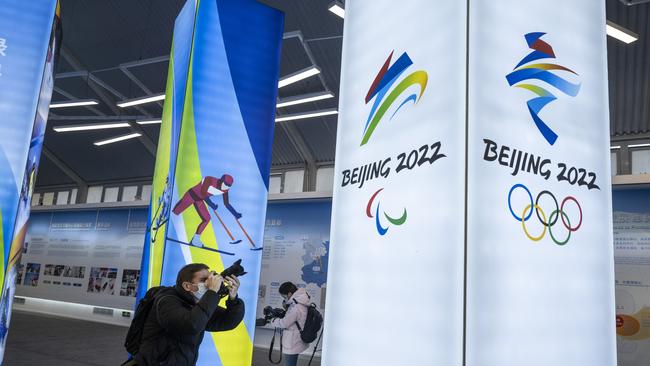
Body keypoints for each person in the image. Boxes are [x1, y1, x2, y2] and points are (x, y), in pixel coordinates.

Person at [135, 263, 244, 366]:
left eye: (210, 278)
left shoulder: (196, 303)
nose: (209, 283)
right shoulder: (166, 301)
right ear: (187, 286)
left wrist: (233, 298)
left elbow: (227, 321)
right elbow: (191, 325)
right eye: (204, 280)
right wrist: (211, 292)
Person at [172, 174, 242, 248]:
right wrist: (212, 205)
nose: (226, 187)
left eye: (229, 186)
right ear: (221, 181)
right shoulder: (209, 180)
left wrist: (235, 214)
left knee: (207, 218)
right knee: (176, 212)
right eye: (226, 184)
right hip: (191, 195)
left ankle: (195, 240)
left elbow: (227, 204)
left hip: (199, 201)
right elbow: (203, 193)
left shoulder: (225, 190)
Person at [269, 282, 310, 366]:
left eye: (284, 297)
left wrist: (272, 320)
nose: (284, 299)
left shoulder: (296, 307)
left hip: (292, 342)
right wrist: (287, 307)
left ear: (290, 294)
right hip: (296, 339)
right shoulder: (301, 302)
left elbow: (284, 323)